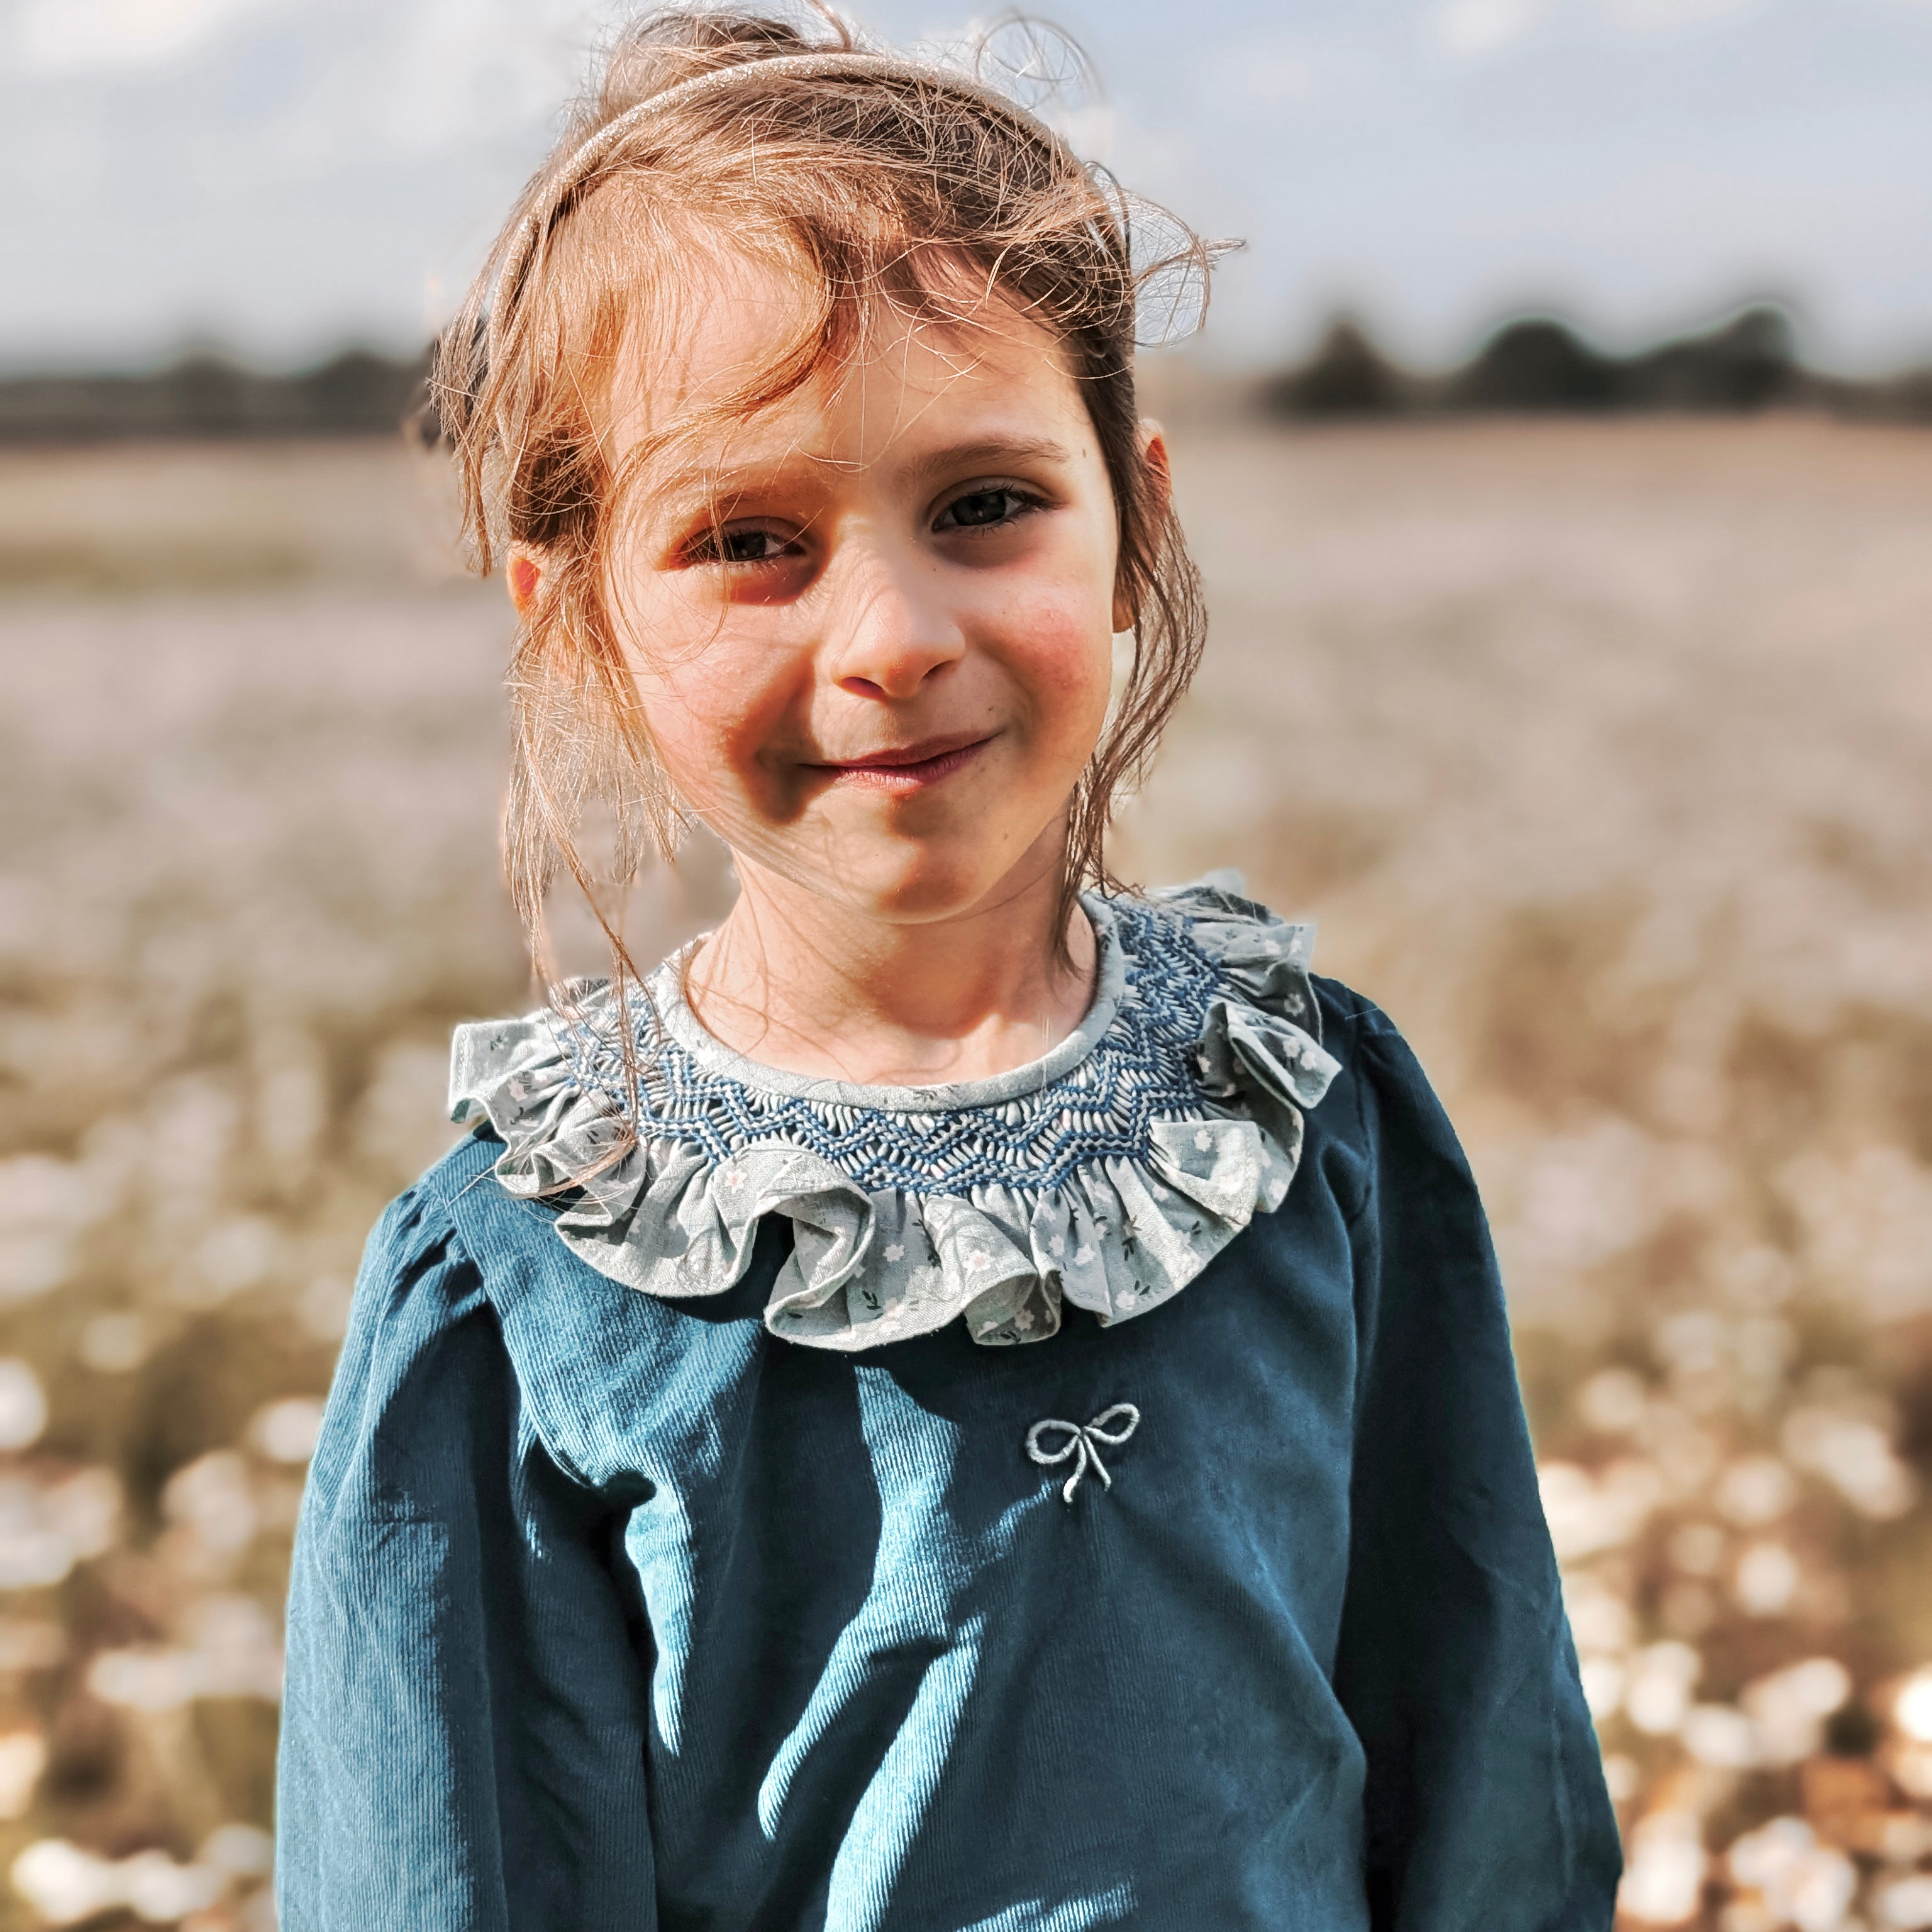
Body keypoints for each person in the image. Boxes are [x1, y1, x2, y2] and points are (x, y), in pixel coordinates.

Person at [275, 9, 1622, 1928]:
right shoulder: (519, 1290)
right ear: (574, 624)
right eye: (751, 539)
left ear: (1137, 516)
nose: (894, 634)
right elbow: (442, 1877)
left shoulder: (1313, 1118)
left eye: (984, 504)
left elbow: (1488, 1764)